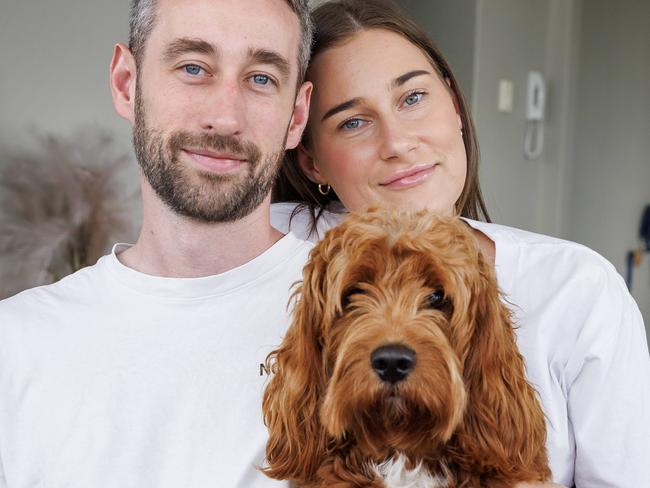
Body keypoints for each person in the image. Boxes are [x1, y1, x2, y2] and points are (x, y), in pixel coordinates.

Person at [271, 0, 650, 487]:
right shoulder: (274, 251)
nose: (398, 143)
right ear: (311, 162)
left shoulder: (578, 288)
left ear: (454, 105)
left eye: (412, 98)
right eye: (353, 122)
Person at [0, 0, 313, 486]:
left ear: (297, 115)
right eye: (193, 67)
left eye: (261, 78)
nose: (225, 117)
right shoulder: (15, 345)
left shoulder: (369, 321)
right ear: (127, 83)